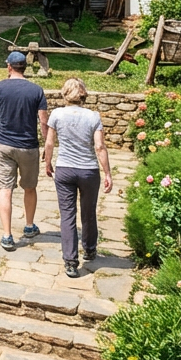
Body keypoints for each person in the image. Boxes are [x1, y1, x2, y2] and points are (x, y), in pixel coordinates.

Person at [43, 78, 113, 278]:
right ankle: (89, 249)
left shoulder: (56, 114)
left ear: (65, 94)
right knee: (88, 212)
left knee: (67, 214)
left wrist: (48, 163)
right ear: (84, 95)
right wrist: (107, 172)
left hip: (64, 169)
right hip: (88, 170)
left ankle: (71, 261)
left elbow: (49, 143)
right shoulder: (93, 117)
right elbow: (99, 147)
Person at [0, 51, 49, 251]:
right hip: (28, 146)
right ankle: (29, 226)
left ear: (9, 67)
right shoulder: (36, 90)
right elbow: (44, 121)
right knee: (30, 188)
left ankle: (7, 235)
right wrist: (47, 145)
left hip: (4, 146)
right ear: (25, 67)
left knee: (5, 190)